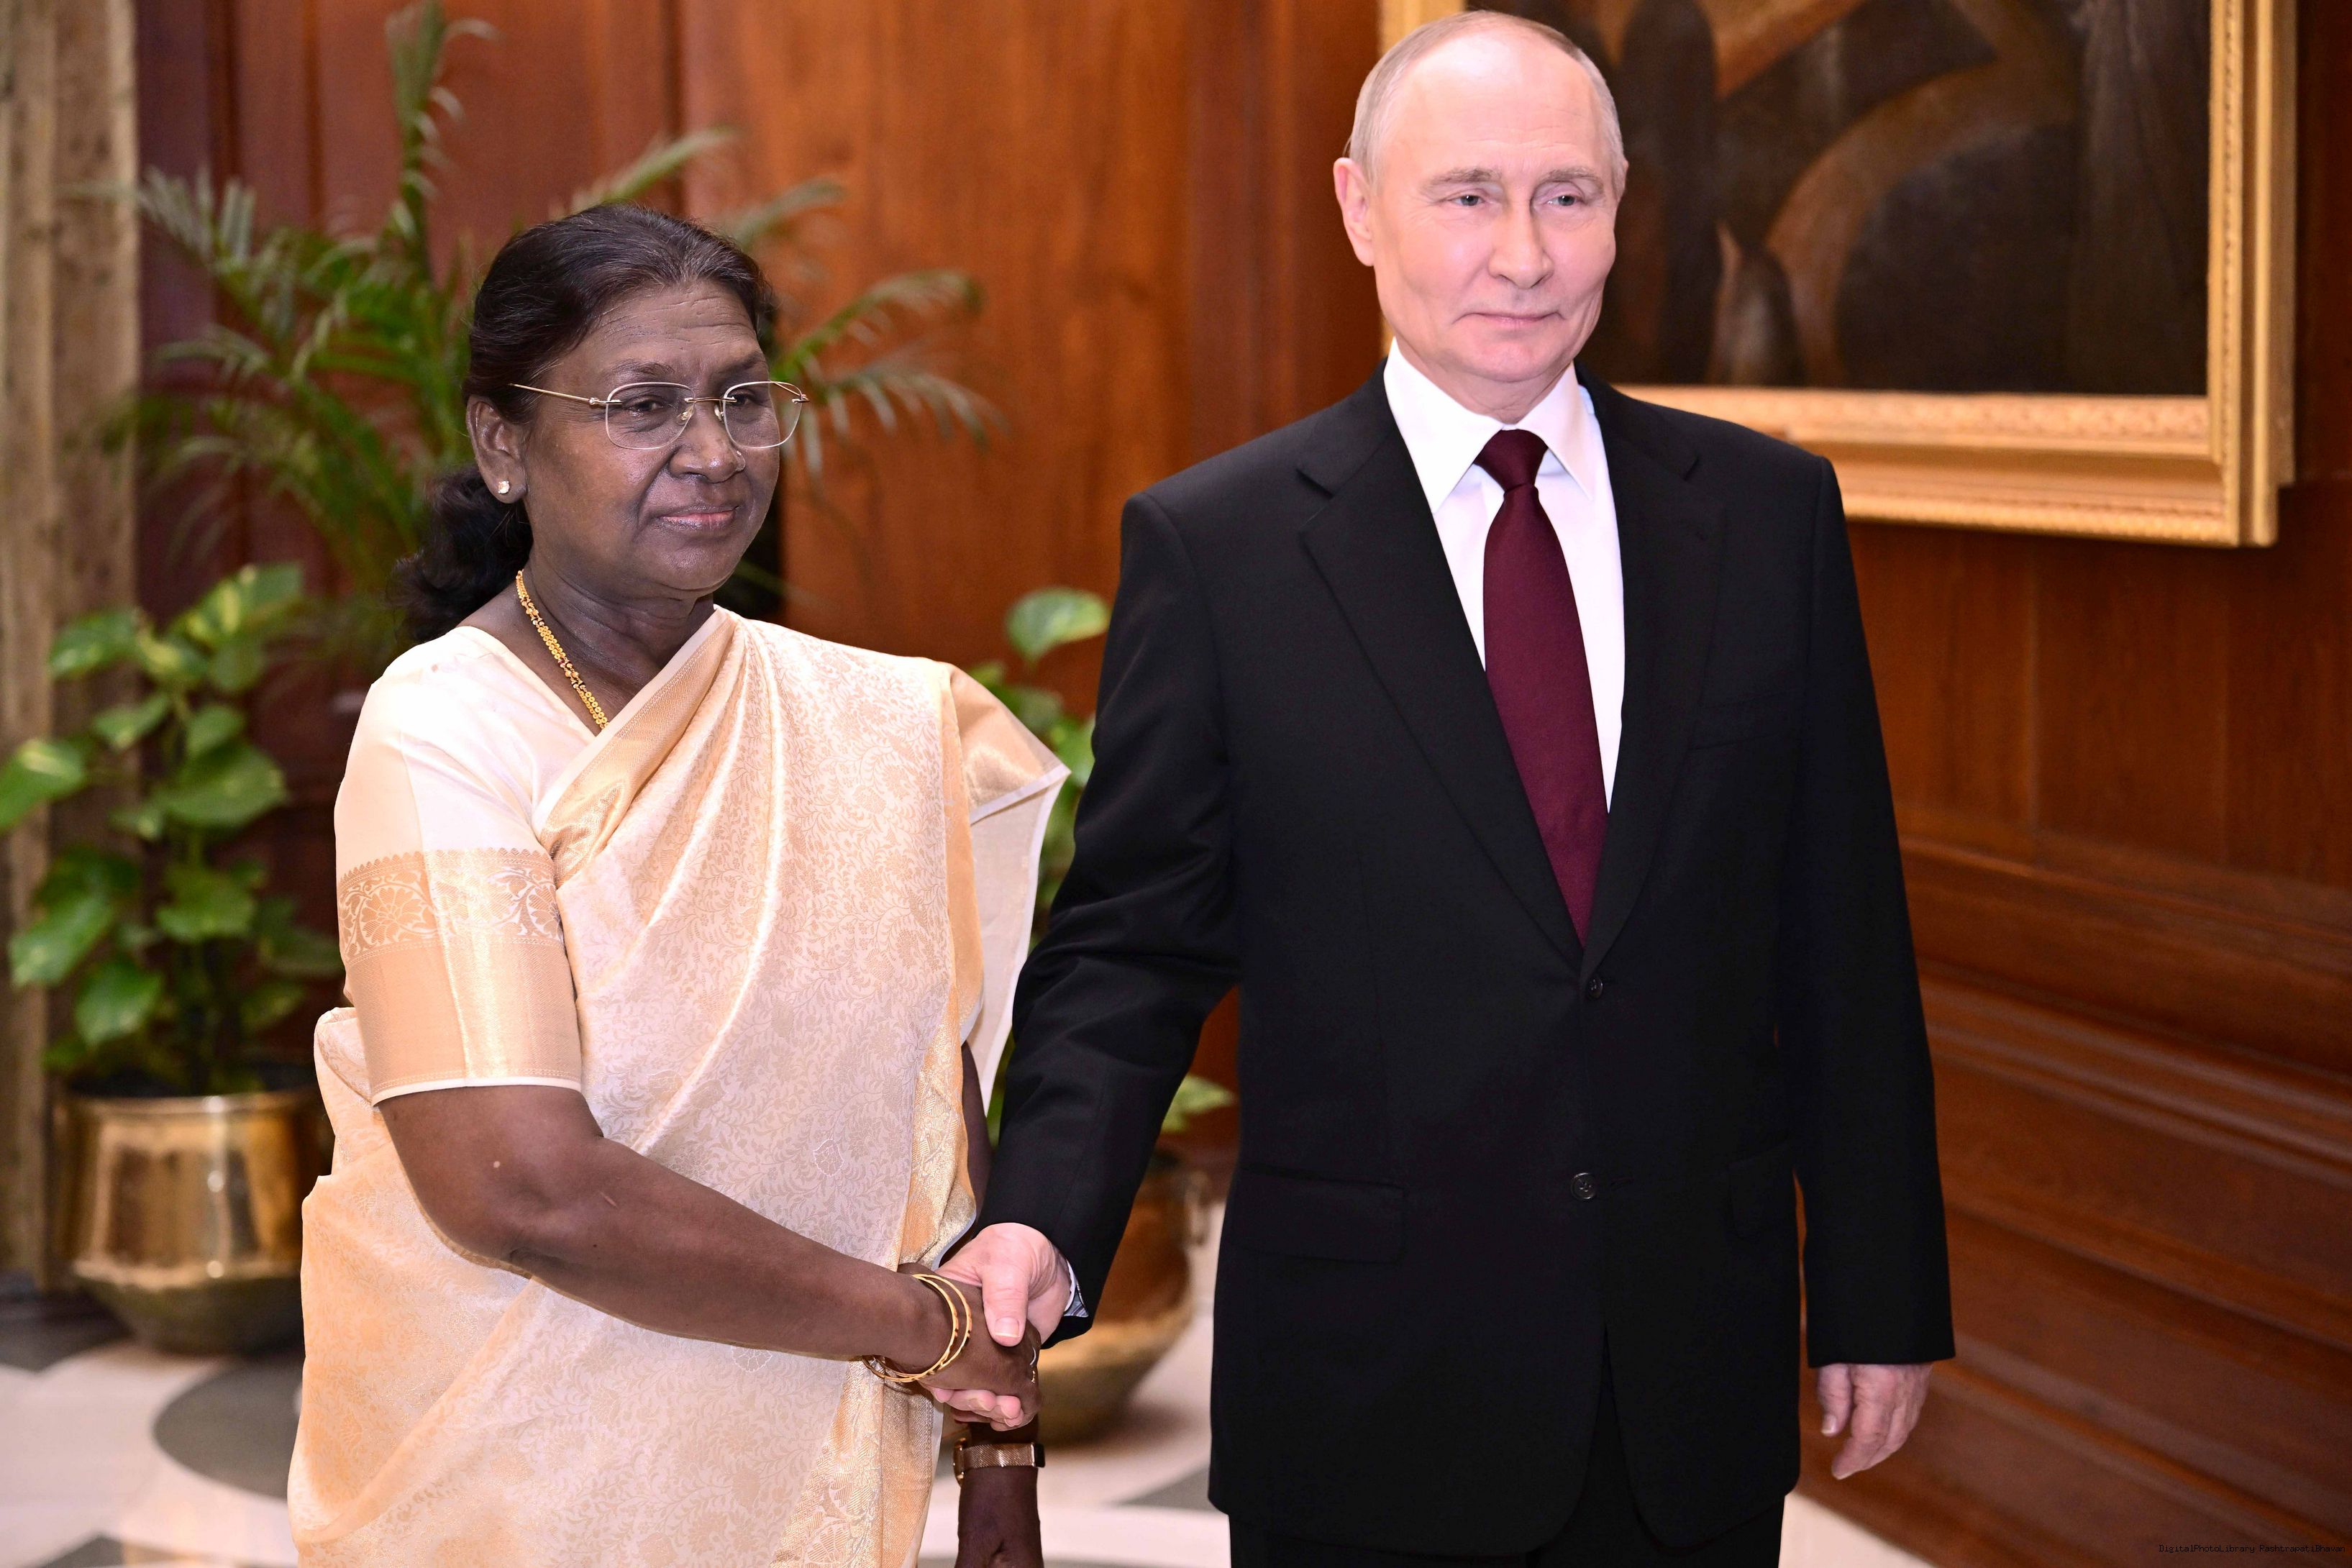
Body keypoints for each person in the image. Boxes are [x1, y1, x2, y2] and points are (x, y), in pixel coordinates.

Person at [939, 13, 1953, 1567]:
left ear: (1622, 206)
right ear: (1360, 209)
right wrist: (1041, 1216)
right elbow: (1134, 944)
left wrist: (1879, 1289)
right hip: (1367, 1391)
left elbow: (1843, 937)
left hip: (1688, 1373)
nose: (1523, 254)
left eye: (1566, 196)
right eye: (1467, 195)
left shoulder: (1766, 514)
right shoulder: (1222, 549)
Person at [290, 204, 1058, 1568]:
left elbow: (928, 1104)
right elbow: (521, 1192)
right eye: (642, 406)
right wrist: (918, 1327)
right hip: (519, 1477)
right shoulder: (446, 730)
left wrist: (998, 1443)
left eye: (742, 399)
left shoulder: (865, 720)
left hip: (807, 1462)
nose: (712, 452)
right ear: (502, 444)